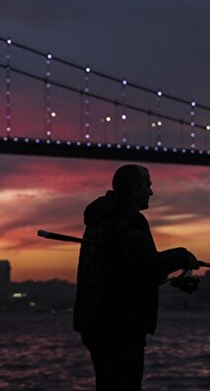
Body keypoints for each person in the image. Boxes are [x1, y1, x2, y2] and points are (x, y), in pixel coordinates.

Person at [73, 164, 199, 391]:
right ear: (134, 188)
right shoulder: (127, 218)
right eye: (148, 186)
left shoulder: (100, 218)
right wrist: (182, 256)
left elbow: (125, 269)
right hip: (119, 324)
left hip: (95, 321)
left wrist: (164, 277)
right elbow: (147, 266)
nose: (151, 192)